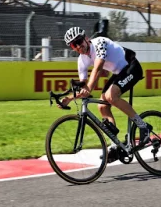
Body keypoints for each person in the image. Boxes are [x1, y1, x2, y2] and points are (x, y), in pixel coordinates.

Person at [57, 26, 152, 163]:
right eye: (74, 45)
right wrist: (69, 98)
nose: (78, 46)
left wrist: (89, 88)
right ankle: (115, 145)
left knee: (111, 96)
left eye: (79, 41)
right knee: (102, 106)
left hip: (131, 67)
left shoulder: (99, 43)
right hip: (118, 73)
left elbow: (98, 68)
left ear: (86, 38)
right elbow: (84, 85)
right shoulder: (81, 61)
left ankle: (144, 126)